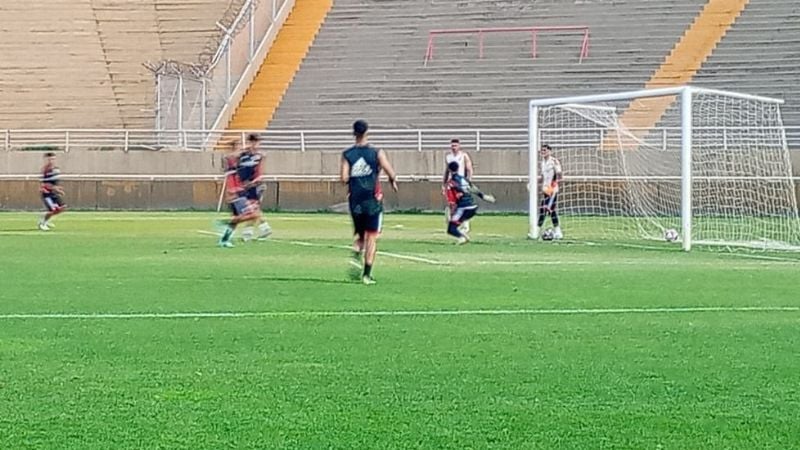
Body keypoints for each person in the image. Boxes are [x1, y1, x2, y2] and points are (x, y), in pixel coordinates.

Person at [340, 120, 398, 285]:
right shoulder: (376, 153)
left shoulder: (347, 154)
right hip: (372, 200)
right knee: (372, 237)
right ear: (367, 132)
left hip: (355, 200)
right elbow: (390, 171)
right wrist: (392, 180)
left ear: (353, 133)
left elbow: (343, 178)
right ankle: (366, 275)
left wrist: (356, 177)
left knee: (360, 235)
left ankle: (356, 252)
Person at [218, 142, 259, 248]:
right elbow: (230, 177)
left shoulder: (236, 165)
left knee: (237, 219)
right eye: (238, 148)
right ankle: (225, 223)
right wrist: (232, 191)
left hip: (239, 191)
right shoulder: (231, 162)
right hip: (236, 193)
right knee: (253, 215)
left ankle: (224, 240)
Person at [236, 133, 271, 241]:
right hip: (245, 186)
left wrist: (255, 182)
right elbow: (238, 170)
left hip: (255, 186)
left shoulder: (260, 156)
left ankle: (254, 231)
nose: (255, 144)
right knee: (251, 210)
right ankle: (259, 230)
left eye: (257, 142)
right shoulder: (243, 155)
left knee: (252, 209)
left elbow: (260, 172)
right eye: (253, 142)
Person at [442, 138, 473, 232]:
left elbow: (469, 169)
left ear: (459, 146)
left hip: (461, 182)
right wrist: (444, 184)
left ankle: (466, 225)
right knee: (453, 203)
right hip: (452, 183)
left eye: (455, 145)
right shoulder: (448, 157)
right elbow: (447, 171)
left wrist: (468, 181)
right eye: (452, 145)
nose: (453, 147)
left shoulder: (464, 156)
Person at [538, 144, 563, 239]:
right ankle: (558, 232)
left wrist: (553, 186)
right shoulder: (543, 163)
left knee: (544, 209)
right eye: (542, 151)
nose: (543, 152)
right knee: (551, 211)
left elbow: (559, 174)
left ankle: (536, 230)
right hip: (545, 190)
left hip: (552, 190)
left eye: (545, 150)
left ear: (549, 151)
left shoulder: (554, 161)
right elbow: (543, 177)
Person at [38, 152, 66, 231]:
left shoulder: (56, 169)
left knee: (62, 207)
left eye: (53, 159)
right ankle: (42, 223)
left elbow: (55, 182)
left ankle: (46, 219)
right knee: (52, 210)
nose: (51, 161)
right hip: (47, 193)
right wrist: (55, 188)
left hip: (53, 192)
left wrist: (58, 189)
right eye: (49, 159)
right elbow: (45, 184)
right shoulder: (46, 170)